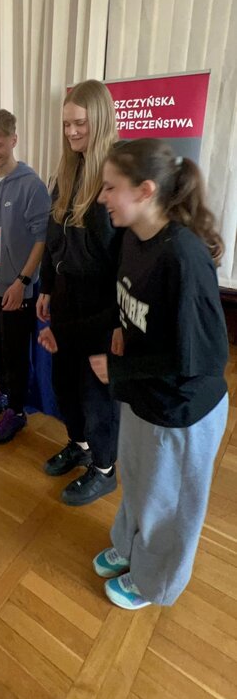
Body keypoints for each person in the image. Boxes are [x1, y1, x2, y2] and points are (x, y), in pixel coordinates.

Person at [90, 138, 228, 610]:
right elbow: (134, 301)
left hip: (182, 410)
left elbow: (199, 358)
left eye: (111, 187)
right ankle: (132, 550)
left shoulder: (183, 257)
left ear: (145, 190)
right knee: (138, 483)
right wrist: (119, 329)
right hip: (143, 393)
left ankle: (156, 582)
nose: (102, 197)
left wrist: (119, 368)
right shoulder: (133, 236)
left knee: (167, 505)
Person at [37, 81, 122, 505]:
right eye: (66, 124)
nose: (71, 132)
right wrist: (46, 288)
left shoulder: (117, 175)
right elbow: (54, 239)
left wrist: (119, 323)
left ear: (100, 120)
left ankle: (104, 468)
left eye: (80, 123)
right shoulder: (67, 173)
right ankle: (80, 444)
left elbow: (123, 258)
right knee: (65, 382)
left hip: (102, 305)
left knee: (96, 392)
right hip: (66, 298)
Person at [0, 109, 50, 443]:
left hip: (19, 288)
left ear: (14, 140)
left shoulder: (32, 186)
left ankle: (17, 411)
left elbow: (42, 239)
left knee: (16, 353)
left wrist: (23, 282)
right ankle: (4, 394)